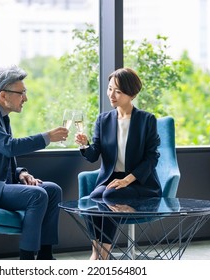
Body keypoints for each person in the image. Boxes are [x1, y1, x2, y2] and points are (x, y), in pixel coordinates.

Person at [0, 65, 69, 260]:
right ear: (3, 95)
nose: (25, 98)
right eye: (21, 93)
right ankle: (26, 260)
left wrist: (20, 173)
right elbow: (8, 146)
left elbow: (2, 155)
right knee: (37, 196)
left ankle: (45, 257)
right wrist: (47, 137)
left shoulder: (2, 117)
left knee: (52, 190)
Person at [75, 67, 162, 260]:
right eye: (109, 89)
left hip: (140, 183)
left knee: (109, 194)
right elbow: (93, 155)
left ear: (131, 93)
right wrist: (84, 145)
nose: (111, 95)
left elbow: (152, 157)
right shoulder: (103, 120)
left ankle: (102, 256)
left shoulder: (146, 120)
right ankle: (96, 252)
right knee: (93, 198)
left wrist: (127, 180)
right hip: (112, 181)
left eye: (118, 91)